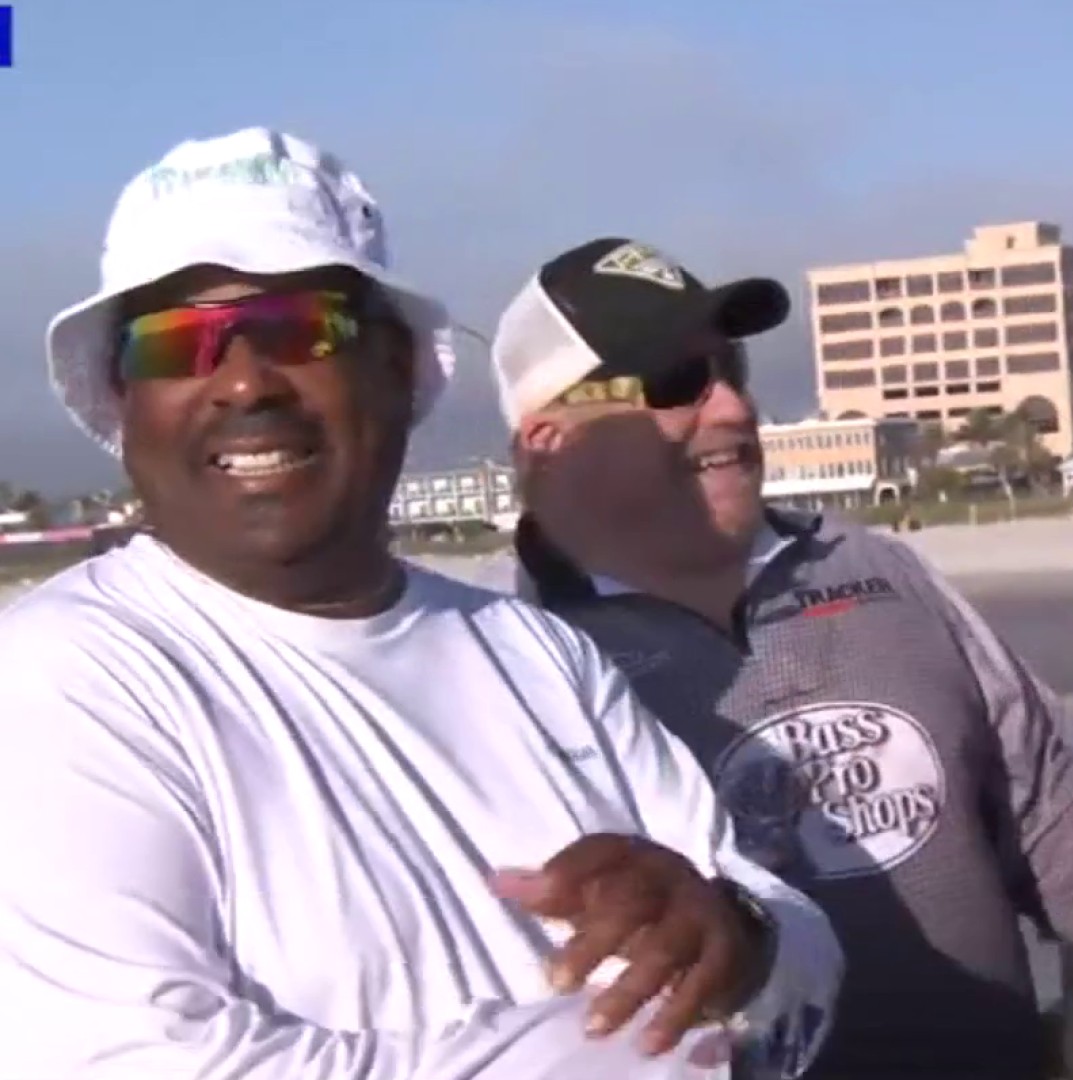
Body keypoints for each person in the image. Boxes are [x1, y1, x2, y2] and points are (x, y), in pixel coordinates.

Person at [0, 129, 841, 1078]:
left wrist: (734, 935)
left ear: (396, 367)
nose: (241, 381)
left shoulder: (537, 653)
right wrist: (649, 1046)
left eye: (297, 327)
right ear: (124, 395)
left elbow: (799, 948)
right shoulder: (59, 681)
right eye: (175, 342)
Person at [486, 237, 1073, 1079]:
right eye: (675, 385)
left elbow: (1044, 807)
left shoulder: (875, 568)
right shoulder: (506, 663)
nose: (733, 410)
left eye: (731, 369)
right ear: (549, 439)